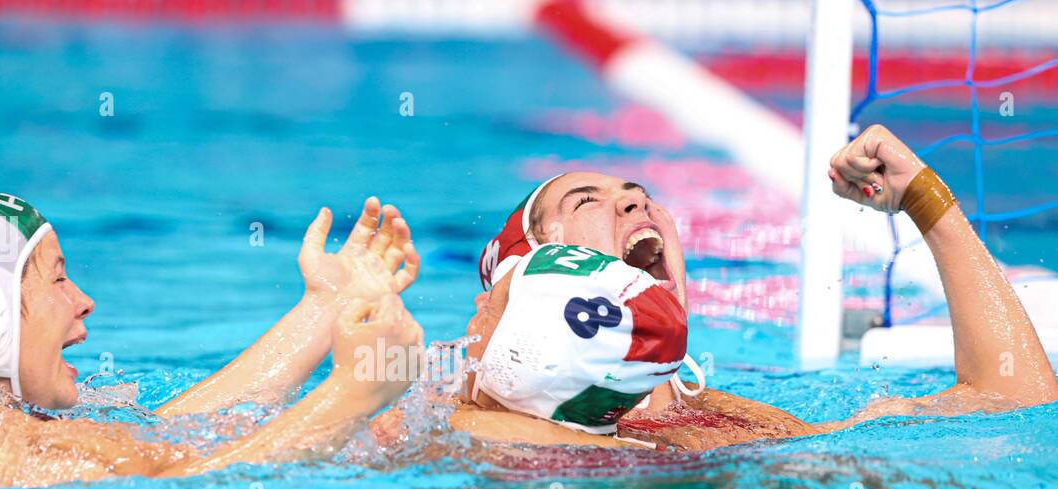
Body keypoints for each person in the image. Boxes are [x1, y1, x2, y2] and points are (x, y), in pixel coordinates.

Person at [410, 124, 1057, 451]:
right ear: (527, 280)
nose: (638, 206)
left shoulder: (733, 422)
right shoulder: (456, 427)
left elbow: (1017, 402)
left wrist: (924, 201)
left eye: (641, 196)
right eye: (588, 201)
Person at [0, 193, 424, 487]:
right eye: (56, 277)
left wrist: (324, 311)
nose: (83, 300)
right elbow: (182, 488)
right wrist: (350, 399)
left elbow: (160, 443)